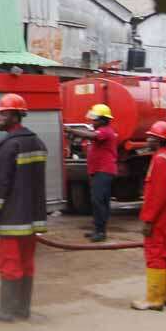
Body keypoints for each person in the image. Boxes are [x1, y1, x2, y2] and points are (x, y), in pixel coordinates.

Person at [0, 94, 48, 322]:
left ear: (15, 115)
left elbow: (0, 185)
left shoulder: (9, 145)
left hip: (11, 219)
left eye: (3, 113)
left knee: (9, 263)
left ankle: (7, 310)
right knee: (27, 264)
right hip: (32, 219)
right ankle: (22, 309)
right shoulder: (37, 142)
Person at [131, 122, 166, 312]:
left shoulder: (160, 160)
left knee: (155, 253)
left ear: (159, 140)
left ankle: (154, 299)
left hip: (160, 216)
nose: (147, 139)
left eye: (151, 136)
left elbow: (157, 194)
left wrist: (148, 219)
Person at [66, 104, 117, 242]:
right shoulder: (101, 131)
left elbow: (92, 136)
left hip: (103, 171)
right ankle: (98, 229)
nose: (92, 122)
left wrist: (72, 130)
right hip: (97, 171)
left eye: (95, 119)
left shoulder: (105, 131)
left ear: (103, 120)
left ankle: (100, 232)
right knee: (98, 201)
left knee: (99, 201)